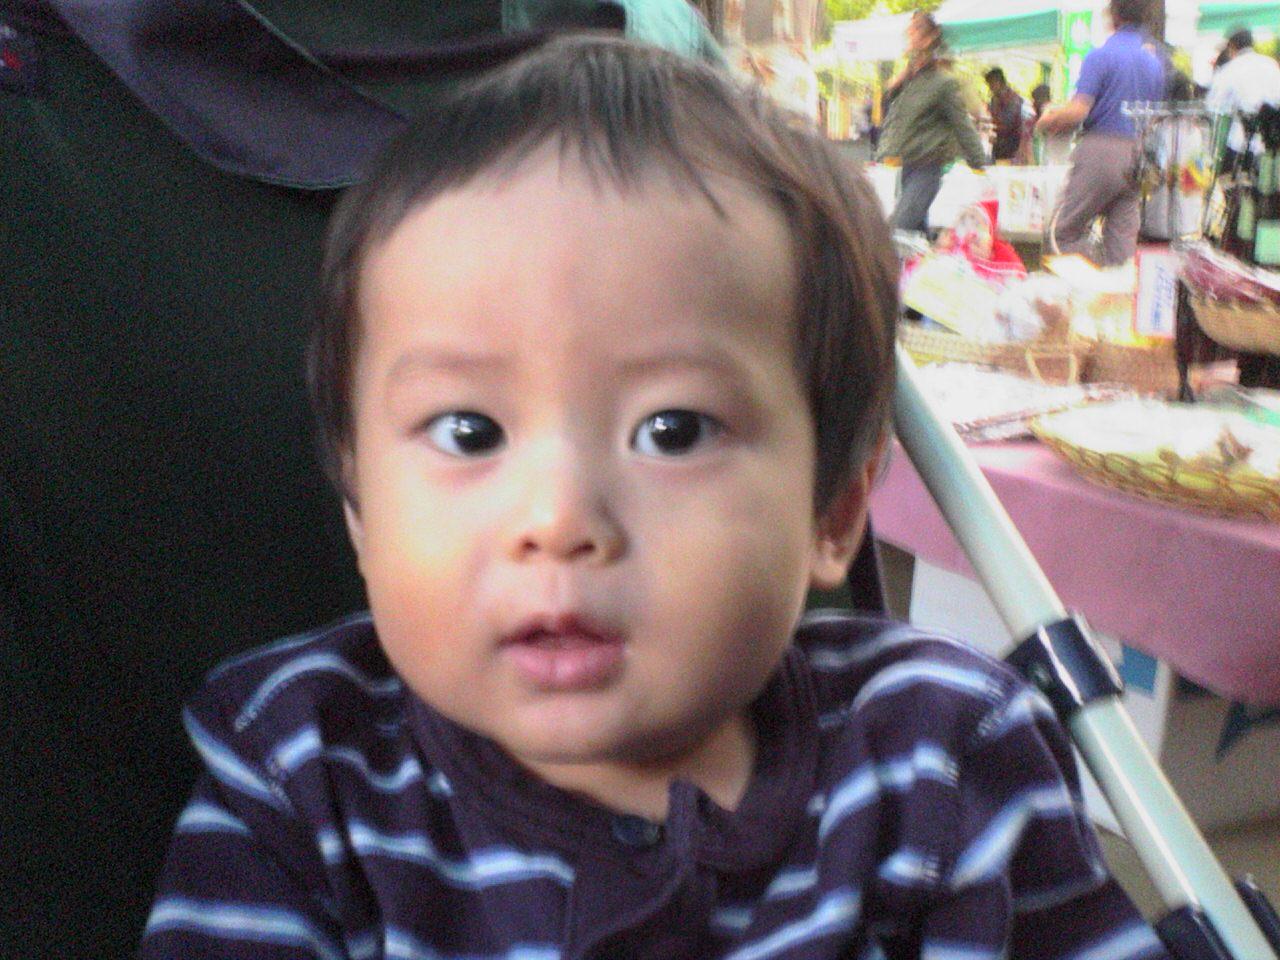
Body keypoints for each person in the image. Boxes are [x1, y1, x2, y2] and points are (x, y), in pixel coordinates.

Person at [140, 36, 1167, 959]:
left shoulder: (935, 759)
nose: (557, 521)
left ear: (832, 512)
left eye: (671, 431)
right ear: (361, 507)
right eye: (468, 433)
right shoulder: (303, 780)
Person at [1037, 0, 1164, 265]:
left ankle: (1086, 280)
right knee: (1121, 244)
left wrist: (1048, 119)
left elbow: (1079, 110)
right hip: (1137, 155)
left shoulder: (1101, 55)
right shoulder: (1154, 63)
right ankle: (1117, 285)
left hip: (1101, 150)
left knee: (1062, 235)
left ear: (1114, 13)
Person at [877, 11, 987, 233]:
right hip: (907, 167)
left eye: (915, 29)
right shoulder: (910, 80)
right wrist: (898, 81)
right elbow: (889, 112)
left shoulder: (943, 83)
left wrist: (980, 165)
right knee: (914, 237)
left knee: (897, 231)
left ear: (928, 39)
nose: (909, 33)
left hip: (927, 170)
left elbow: (962, 126)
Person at [1205, 27, 1280, 155]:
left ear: (1232, 46)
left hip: (1240, 142)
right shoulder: (1270, 65)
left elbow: (1214, 105)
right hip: (1272, 140)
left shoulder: (1229, 70)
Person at [985, 67, 1024, 162]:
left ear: (999, 82)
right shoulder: (994, 99)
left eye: (992, 83)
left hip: (1011, 145)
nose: (990, 87)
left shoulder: (1013, 99)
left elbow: (1009, 122)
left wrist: (994, 128)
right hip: (998, 145)